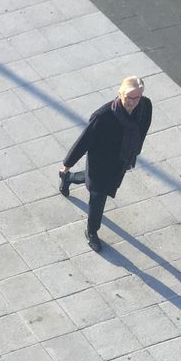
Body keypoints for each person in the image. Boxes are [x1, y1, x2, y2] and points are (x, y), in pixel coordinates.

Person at [59, 75, 153, 253]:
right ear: (119, 93)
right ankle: (92, 232)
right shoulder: (103, 116)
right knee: (98, 197)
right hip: (100, 163)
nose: (133, 102)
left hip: (122, 159)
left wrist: (136, 148)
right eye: (129, 97)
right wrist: (67, 163)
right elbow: (84, 141)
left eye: (137, 97)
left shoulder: (145, 106)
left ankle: (68, 178)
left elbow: (144, 127)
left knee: (97, 186)